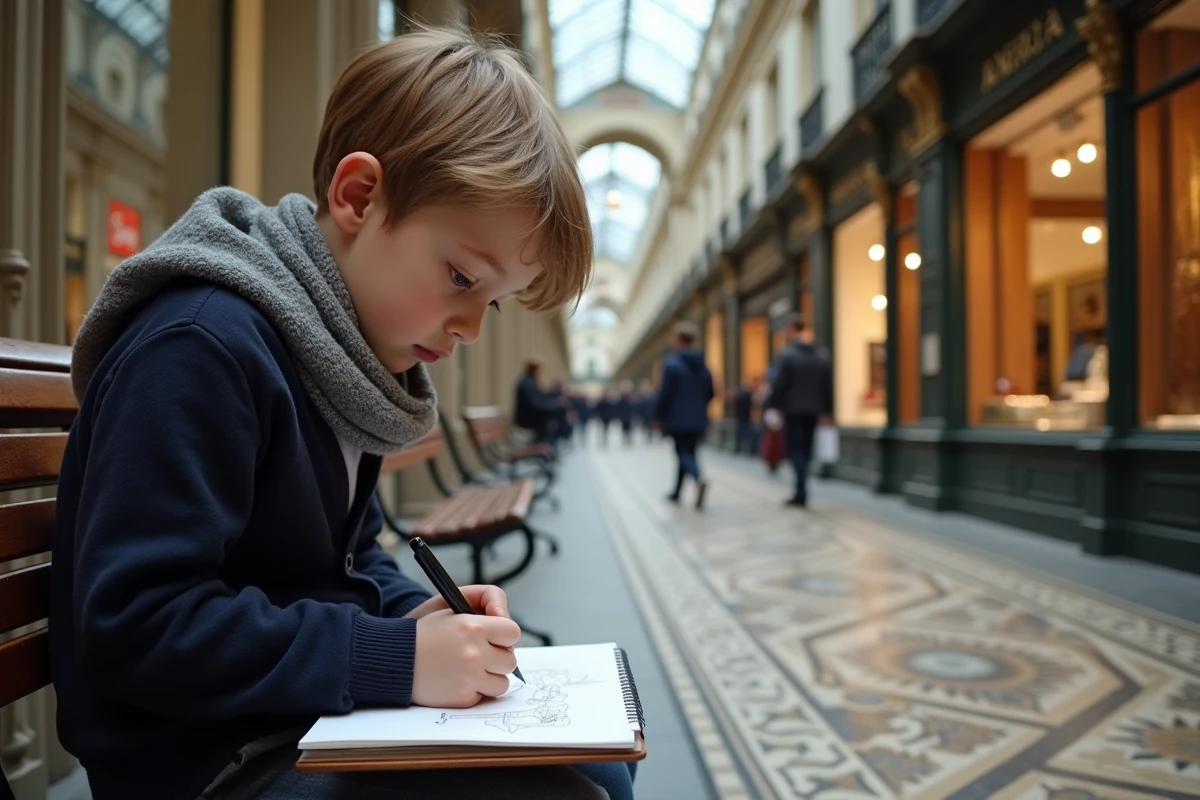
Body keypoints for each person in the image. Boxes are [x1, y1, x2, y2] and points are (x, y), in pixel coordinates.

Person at [49, 26, 634, 800]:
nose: (471, 326)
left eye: (491, 300)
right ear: (358, 197)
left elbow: (351, 561)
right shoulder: (202, 347)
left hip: (292, 722)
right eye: (461, 276)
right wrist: (395, 658)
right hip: (206, 764)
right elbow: (137, 625)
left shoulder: (327, 355)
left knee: (596, 767)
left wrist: (419, 615)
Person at [767, 313, 833, 508]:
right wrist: (828, 411)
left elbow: (780, 384)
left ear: (791, 330)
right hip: (813, 410)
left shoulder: (787, 355)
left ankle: (801, 490)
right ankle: (801, 488)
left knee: (796, 450)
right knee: (806, 449)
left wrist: (772, 406)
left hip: (793, 411)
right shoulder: (821, 355)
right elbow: (827, 387)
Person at [653, 322, 715, 509]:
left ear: (678, 341)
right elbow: (711, 393)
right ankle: (677, 492)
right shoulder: (704, 367)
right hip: (698, 419)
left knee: (682, 453)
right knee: (689, 453)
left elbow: (665, 394)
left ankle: (698, 477)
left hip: (678, 419)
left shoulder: (672, 364)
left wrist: (658, 416)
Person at [514, 357, 563, 445]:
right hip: (526, 419)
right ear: (535, 370)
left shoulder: (529, 382)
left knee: (555, 415)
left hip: (529, 417)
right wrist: (554, 405)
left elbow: (539, 397)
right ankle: (544, 443)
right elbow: (535, 403)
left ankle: (547, 443)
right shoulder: (527, 383)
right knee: (553, 416)